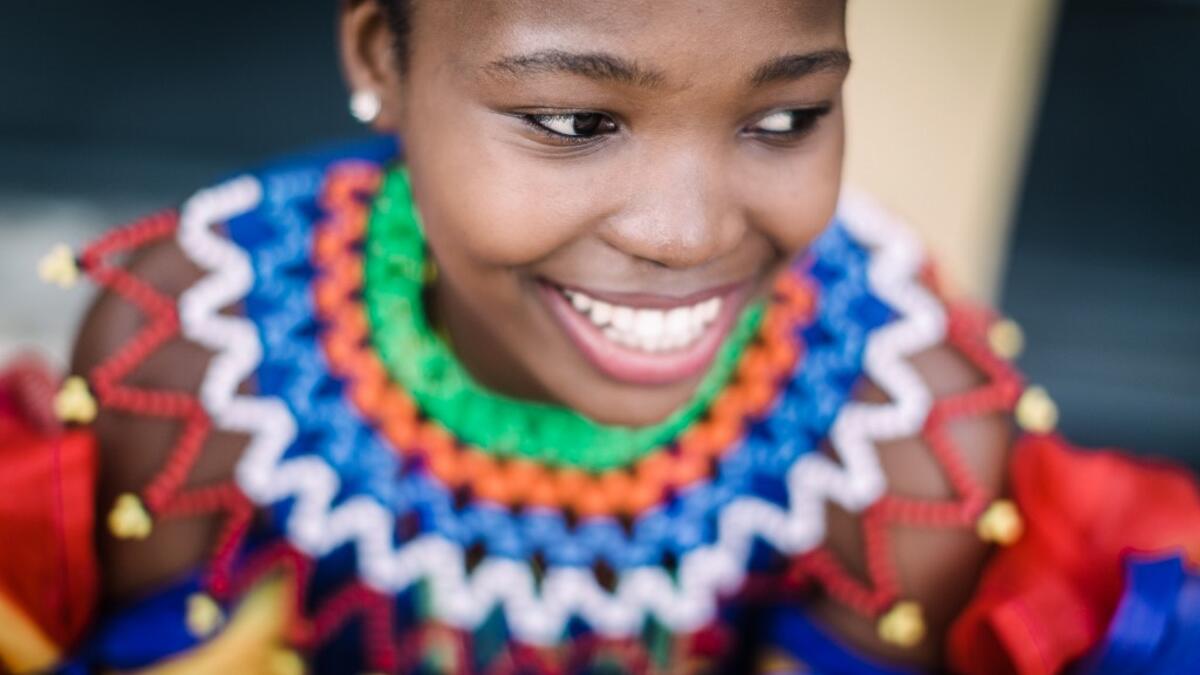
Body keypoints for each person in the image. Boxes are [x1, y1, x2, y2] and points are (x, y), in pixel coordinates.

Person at [1, 1, 1197, 673]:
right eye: (574, 121)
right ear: (380, 57)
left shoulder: (897, 432)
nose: (688, 233)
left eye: (787, 117)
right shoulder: (202, 356)